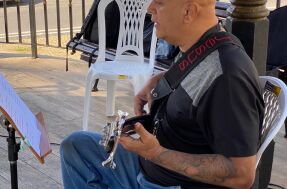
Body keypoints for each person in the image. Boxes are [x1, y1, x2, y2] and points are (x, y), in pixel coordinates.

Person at [60, 0, 264, 188]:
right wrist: (164, 78)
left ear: (188, 11)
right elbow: (198, 73)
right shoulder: (201, 44)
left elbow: (241, 174)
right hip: (151, 166)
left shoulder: (228, 78)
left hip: (168, 182)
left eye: (160, 3)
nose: (150, 9)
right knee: (76, 147)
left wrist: (157, 154)